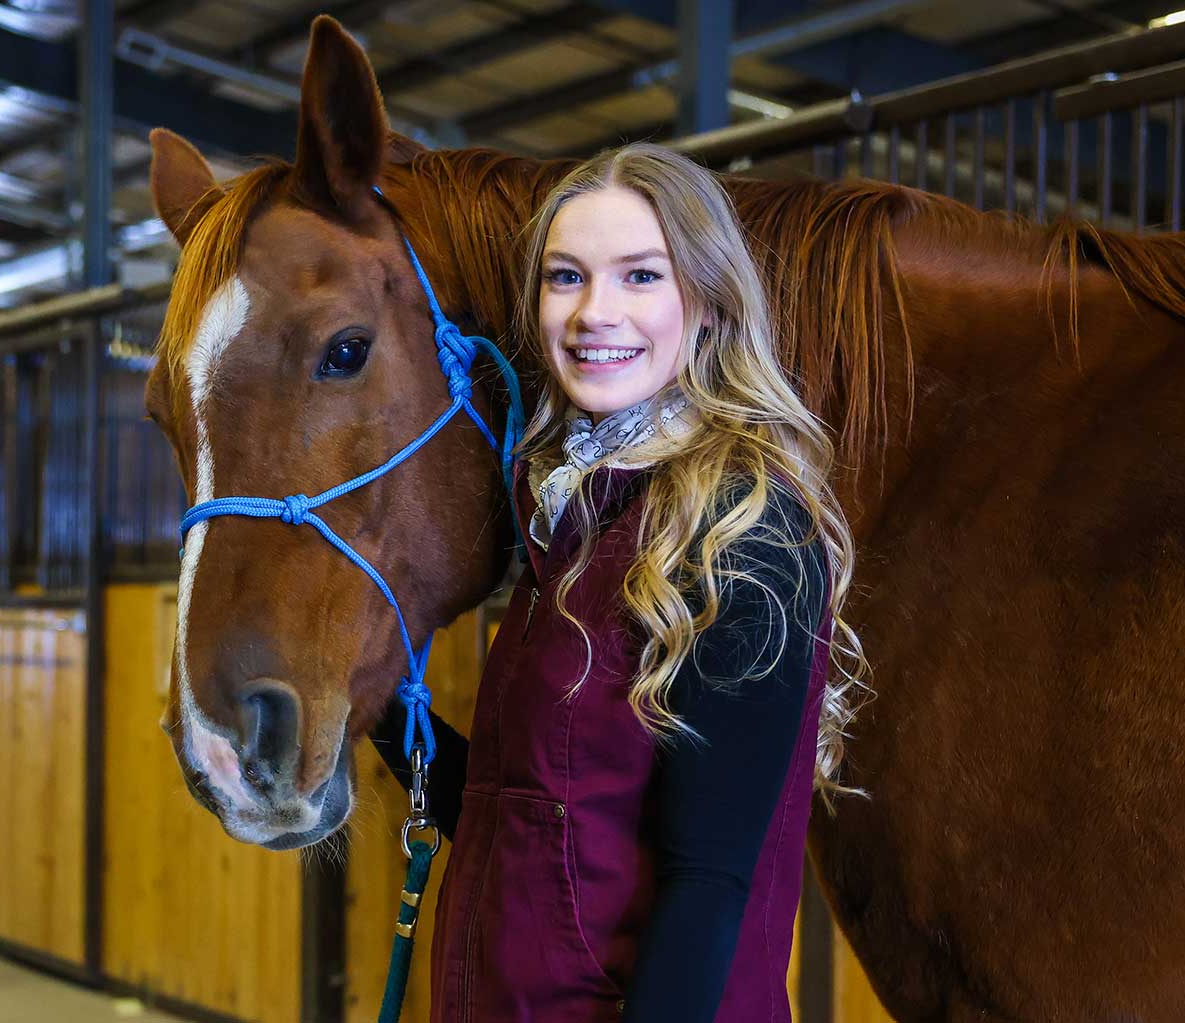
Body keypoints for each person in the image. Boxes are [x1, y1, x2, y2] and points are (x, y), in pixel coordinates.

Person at [372, 143, 868, 1021]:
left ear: (708, 305)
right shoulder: (568, 524)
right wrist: (379, 707)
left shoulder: (746, 529)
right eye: (567, 277)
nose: (595, 312)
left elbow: (710, 881)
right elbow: (526, 825)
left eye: (641, 277)